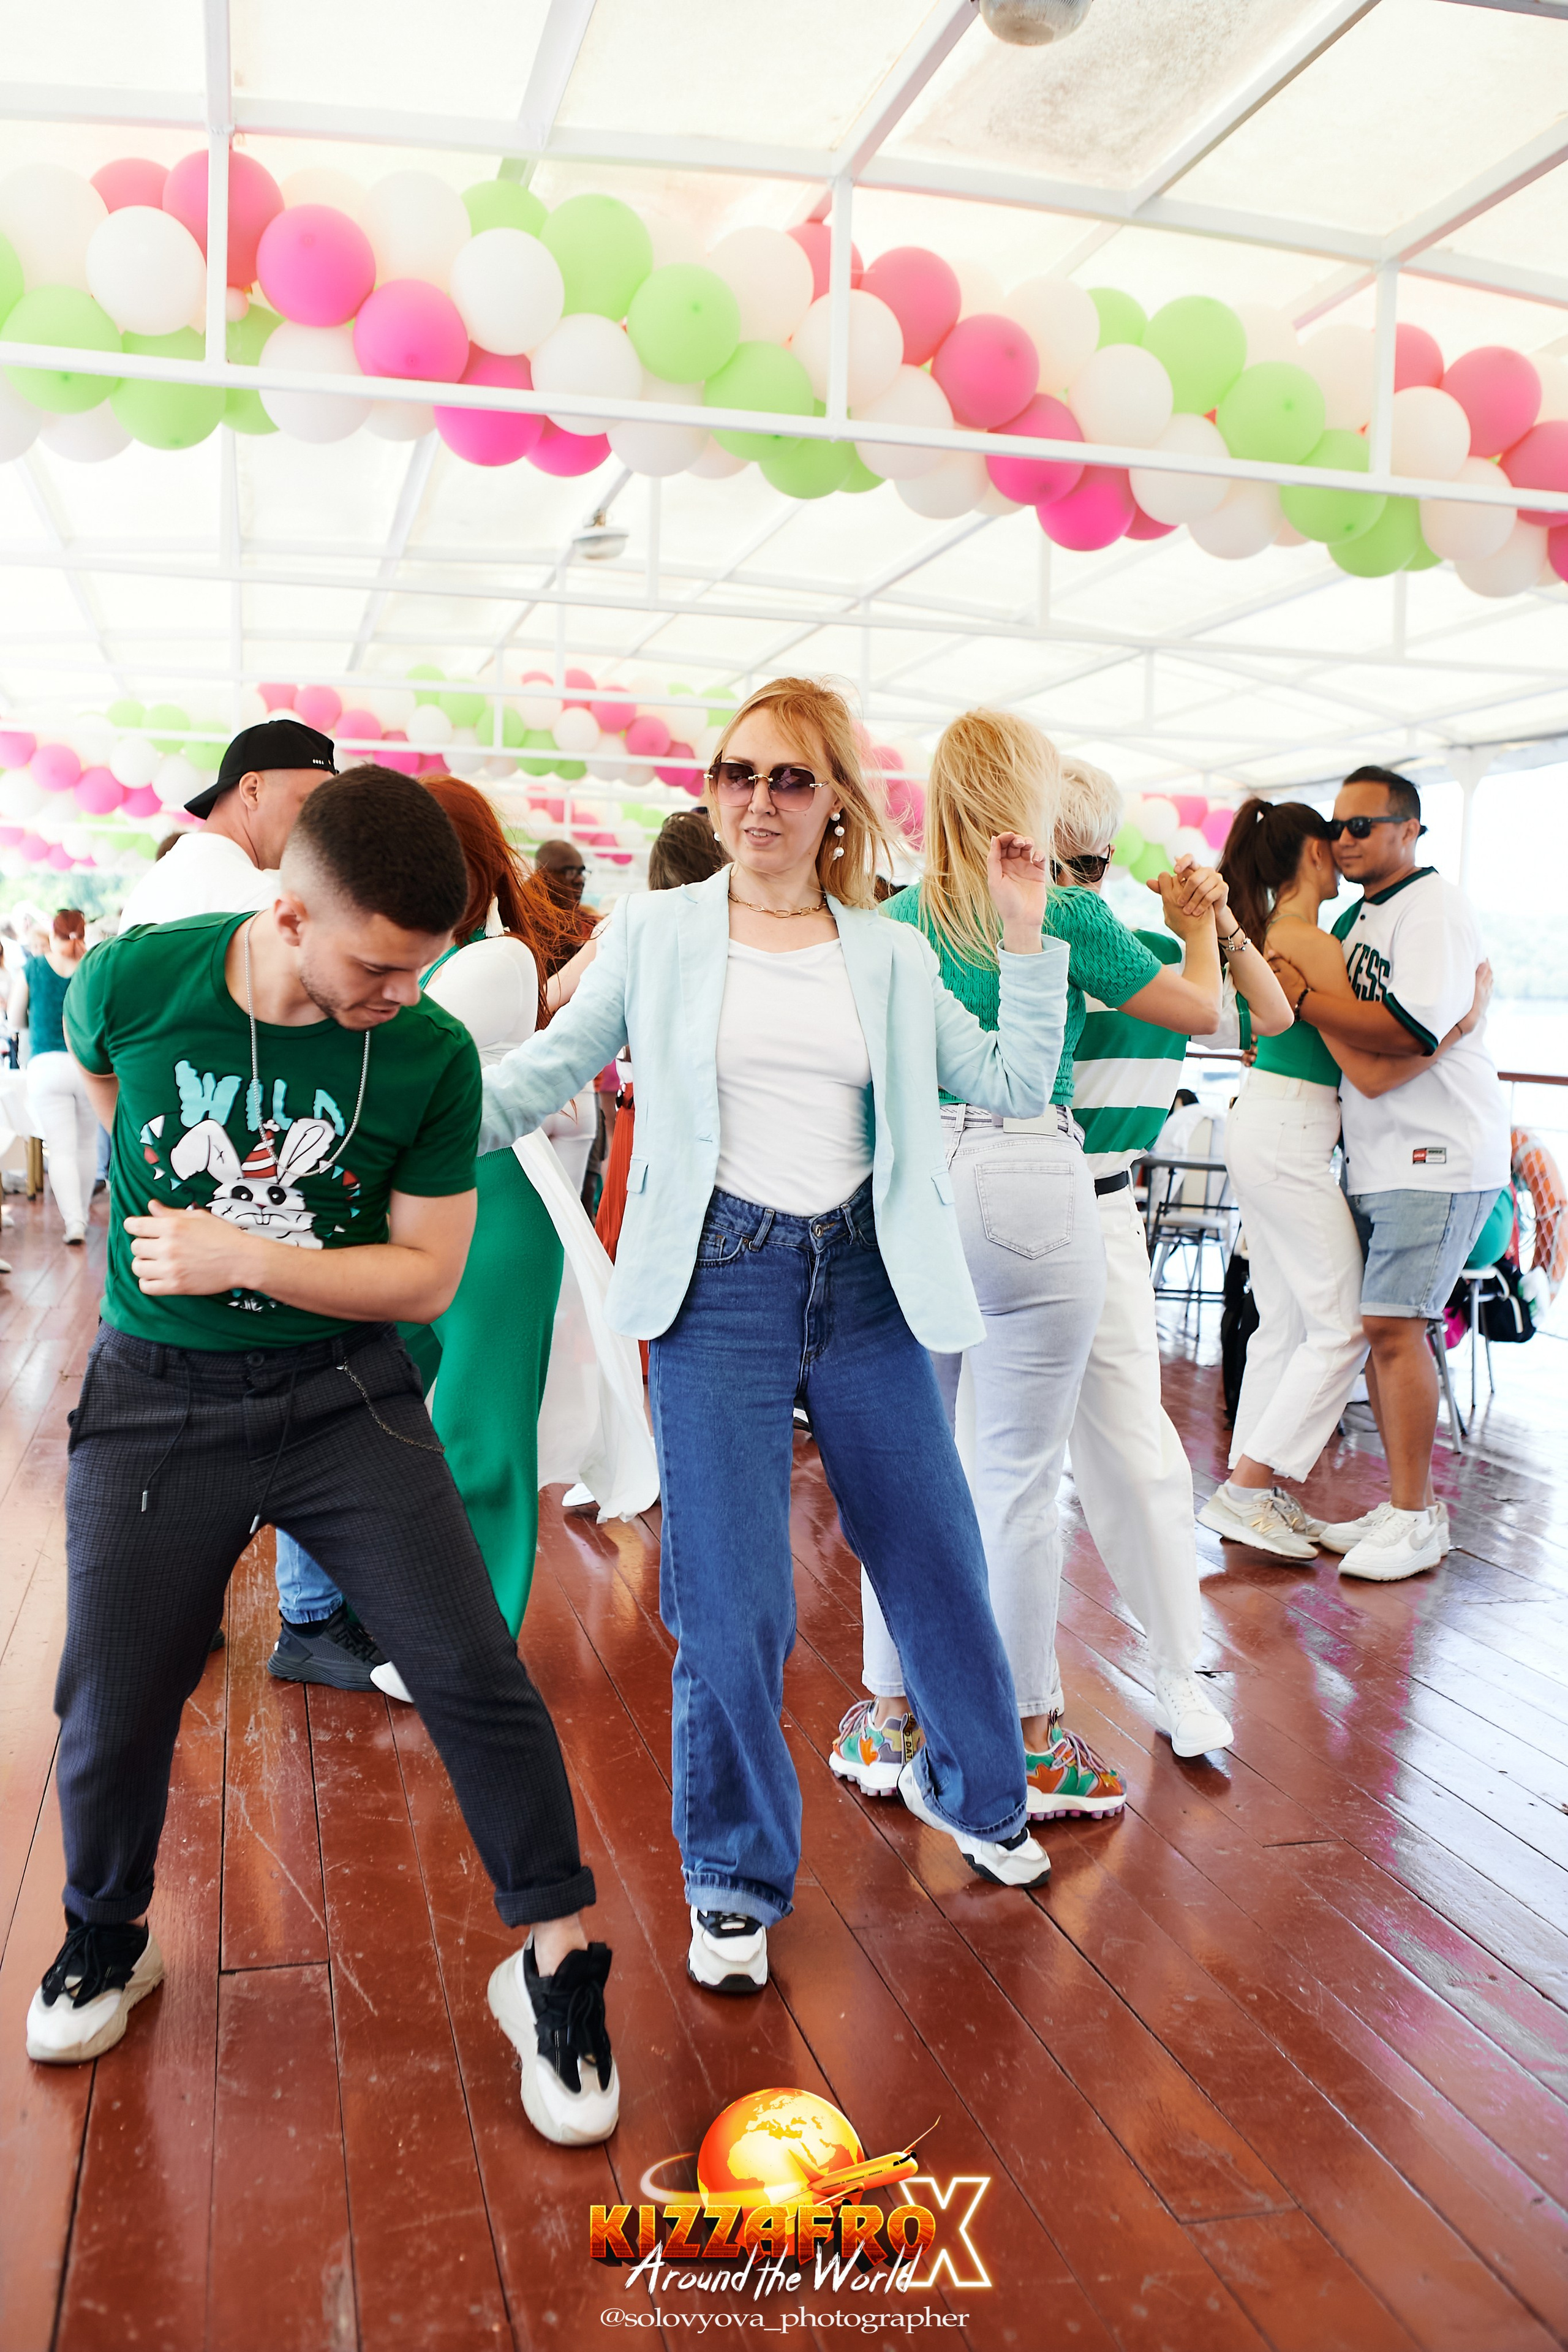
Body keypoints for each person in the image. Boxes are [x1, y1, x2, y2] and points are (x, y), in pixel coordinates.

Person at [29, 767, 617, 2146]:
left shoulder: (423, 1053)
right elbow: (105, 1073)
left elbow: (422, 1278)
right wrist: (156, 1207)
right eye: (377, 965)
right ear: (290, 913)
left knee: (470, 1664)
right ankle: (108, 1930)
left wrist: (240, 1250)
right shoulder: (133, 978)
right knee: (112, 1685)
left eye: (422, 969)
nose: (402, 994)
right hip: (156, 1393)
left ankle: (555, 1962)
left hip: (338, 1395)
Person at [478, 676, 1070, 1998]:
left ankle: (978, 1794)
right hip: (719, 1288)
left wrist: (1029, 937)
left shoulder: (893, 954)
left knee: (933, 1556)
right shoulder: (659, 931)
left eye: (789, 779)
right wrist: (408, 1106)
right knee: (733, 1608)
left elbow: (1017, 1086)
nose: (756, 800)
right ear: (710, 791)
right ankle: (734, 1878)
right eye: (735, 774)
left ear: (836, 807)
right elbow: (550, 1067)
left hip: (865, 1282)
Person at [854, 721, 1284, 1800]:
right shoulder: (1065, 908)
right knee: (1017, 1480)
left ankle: (891, 1719)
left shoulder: (893, 921)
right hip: (1034, 1182)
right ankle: (1030, 1734)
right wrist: (1197, 934)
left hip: (913, 1187)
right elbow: (1206, 1014)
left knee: (912, 1471)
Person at [370, 775, 656, 1700]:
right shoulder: (446, 953)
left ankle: (468, 1647)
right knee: (390, 1404)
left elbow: (407, 1059)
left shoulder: (493, 960)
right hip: (427, 1202)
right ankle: (419, 1616)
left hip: (495, 1199)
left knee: (480, 1430)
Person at [1052, 763, 1292, 1758]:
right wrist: (1216, 924)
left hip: (1061, 1205)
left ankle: (1161, 1670)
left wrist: (1212, 927)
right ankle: (1174, 1674)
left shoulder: (1118, 954)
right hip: (1089, 1214)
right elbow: (1270, 1017)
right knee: (1133, 1458)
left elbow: (1270, 1020)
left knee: (1045, 1459)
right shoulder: (1156, 958)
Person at [1202, 799, 1491, 1564]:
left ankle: (1254, 1492)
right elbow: (1370, 1063)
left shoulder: (1274, 933)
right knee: (1342, 1326)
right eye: (1332, 837)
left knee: (1286, 1324)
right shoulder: (1311, 942)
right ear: (1310, 858)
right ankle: (1245, 1491)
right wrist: (1459, 1023)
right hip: (1293, 1133)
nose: (1342, 847)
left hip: (1266, 1125)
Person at [1265, 766, 1509, 1581]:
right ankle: (1404, 1503)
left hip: (1435, 1156)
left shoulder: (1430, 905)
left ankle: (1416, 1516)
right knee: (1382, 1330)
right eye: (1336, 829)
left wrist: (1302, 998)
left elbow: (1408, 1030)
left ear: (1409, 829)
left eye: (1361, 826)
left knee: (1396, 1329)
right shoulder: (1370, 916)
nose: (1343, 841)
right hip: (1385, 1156)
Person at [595, 810, 729, 1265]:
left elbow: (552, 996)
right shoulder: (737, 937)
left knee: (631, 1259)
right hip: (714, 1129)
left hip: (643, 1122)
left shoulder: (630, 929)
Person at [115, 717, 337, 929]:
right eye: (309, 803)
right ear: (252, 791)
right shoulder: (257, 901)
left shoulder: (155, 883)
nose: (319, 824)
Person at [8, 910, 99, 1244]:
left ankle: (74, 1222)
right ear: (82, 932)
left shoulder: (33, 968)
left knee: (61, 1149)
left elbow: (15, 1020)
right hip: (88, 1065)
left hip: (47, 1066)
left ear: (54, 933)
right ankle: (84, 1211)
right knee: (87, 1144)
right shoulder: (94, 966)